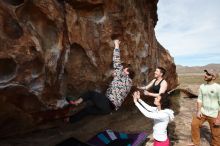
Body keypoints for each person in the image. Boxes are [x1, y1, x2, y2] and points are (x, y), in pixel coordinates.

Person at [67, 39, 135, 122]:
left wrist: (117, 45)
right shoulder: (129, 83)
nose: (123, 69)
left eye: (125, 69)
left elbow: (116, 60)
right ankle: (70, 120)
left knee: (90, 93)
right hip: (108, 110)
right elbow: (117, 87)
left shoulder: (123, 77)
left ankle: (76, 102)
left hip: (107, 103)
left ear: (127, 73)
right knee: (88, 109)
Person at [188, 69, 220, 146]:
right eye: (205, 73)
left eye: (208, 74)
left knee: (216, 134)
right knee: (194, 124)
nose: (205, 75)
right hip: (203, 112)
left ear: (213, 77)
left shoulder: (218, 87)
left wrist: (219, 117)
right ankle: (196, 143)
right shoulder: (202, 86)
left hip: (214, 114)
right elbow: (199, 99)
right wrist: (199, 111)